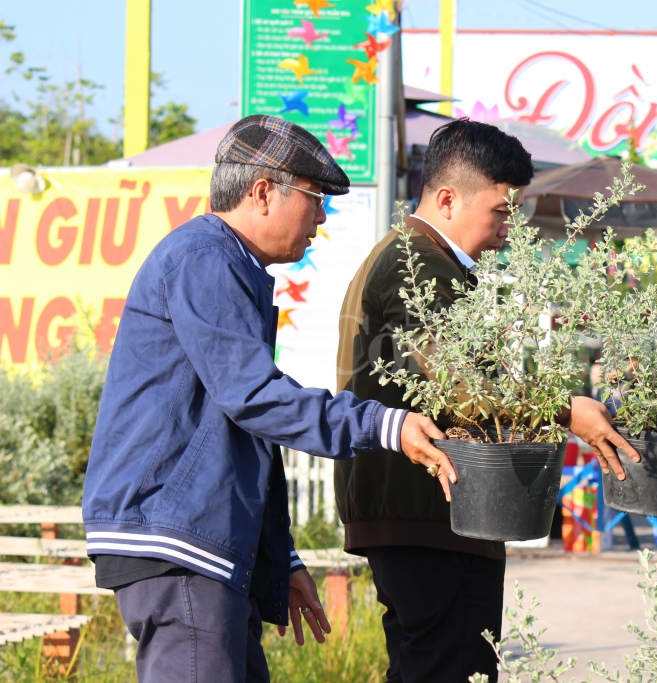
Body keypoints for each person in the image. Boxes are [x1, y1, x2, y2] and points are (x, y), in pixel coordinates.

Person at [82, 116, 455, 683]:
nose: (322, 218)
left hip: (195, 537)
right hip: (176, 537)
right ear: (261, 193)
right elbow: (256, 399)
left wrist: (282, 557)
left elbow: (245, 431)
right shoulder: (206, 259)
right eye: (314, 198)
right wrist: (385, 424)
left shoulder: (230, 263)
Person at [335, 119, 641, 683]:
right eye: (501, 210)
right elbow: (461, 384)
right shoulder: (419, 262)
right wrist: (566, 410)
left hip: (414, 508)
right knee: (452, 670)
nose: (510, 226)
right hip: (430, 509)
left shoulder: (415, 255)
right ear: (448, 198)